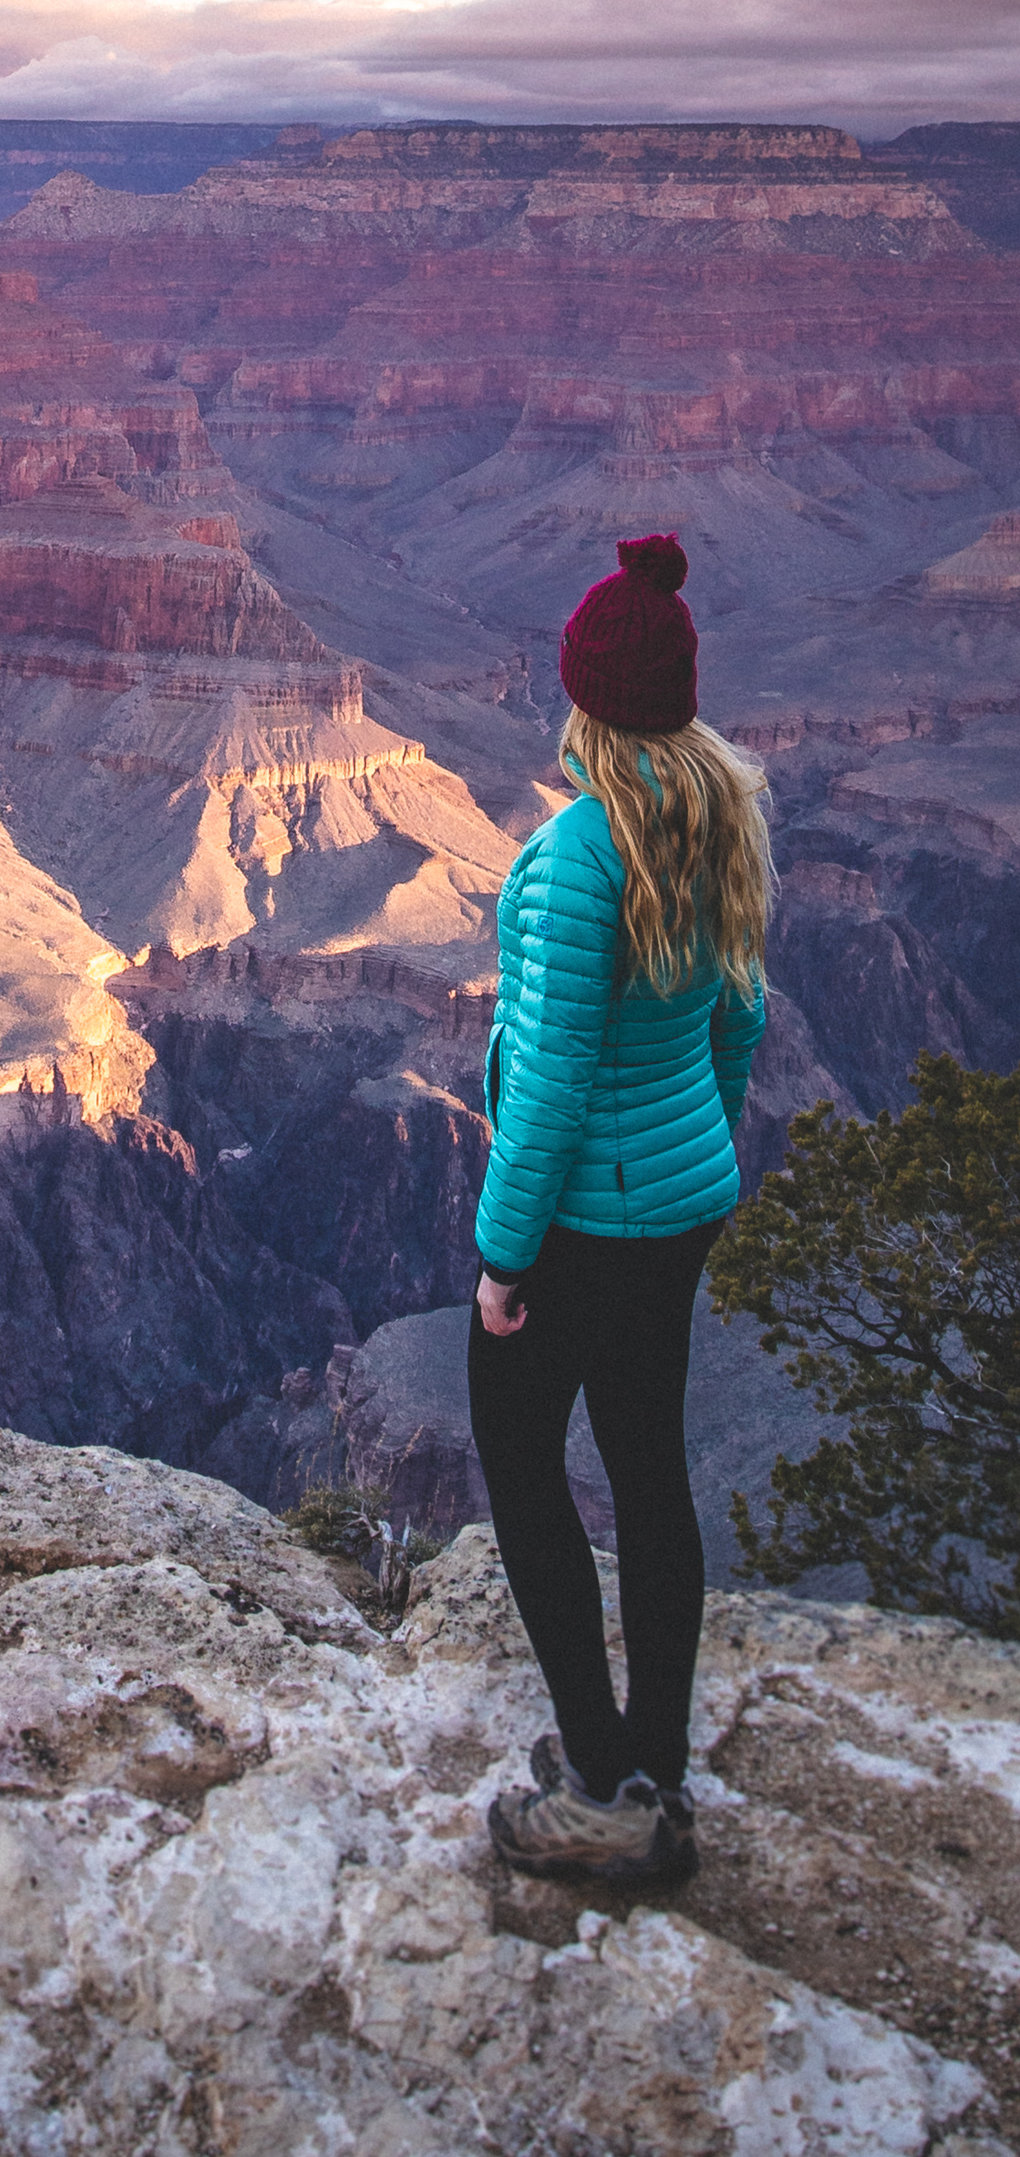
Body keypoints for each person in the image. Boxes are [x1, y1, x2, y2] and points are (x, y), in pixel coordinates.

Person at [469, 533, 771, 1887]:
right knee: (648, 1466)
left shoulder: (575, 856)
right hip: (686, 1203)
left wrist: (501, 1255)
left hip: (584, 1221)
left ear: (582, 700)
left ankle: (600, 1783)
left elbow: (545, 1086)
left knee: (525, 1462)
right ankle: (660, 1765)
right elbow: (739, 1018)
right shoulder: (722, 819)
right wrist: (699, 1136)